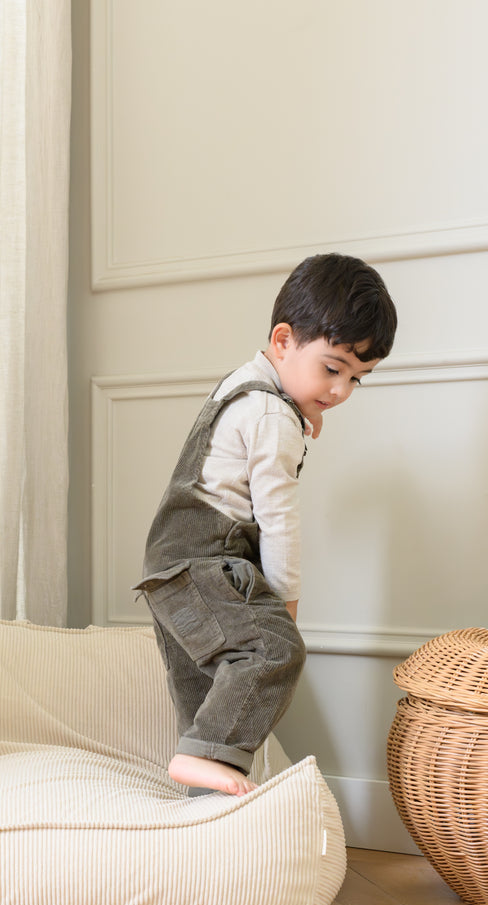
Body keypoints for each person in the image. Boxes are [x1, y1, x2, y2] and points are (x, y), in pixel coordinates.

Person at [134, 253, 398, 796]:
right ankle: (204, 764)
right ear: (283, 341)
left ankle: (207, 802)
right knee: (276, 651)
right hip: (204, 565)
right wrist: (287, 606)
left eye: (357, 379)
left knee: (209, 696)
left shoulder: (249, 386)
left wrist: (307, 409)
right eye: (332, 369)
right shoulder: (273, 417)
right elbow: (279, 522)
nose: (342, 390)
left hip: (168, 570)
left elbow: (257, 424)